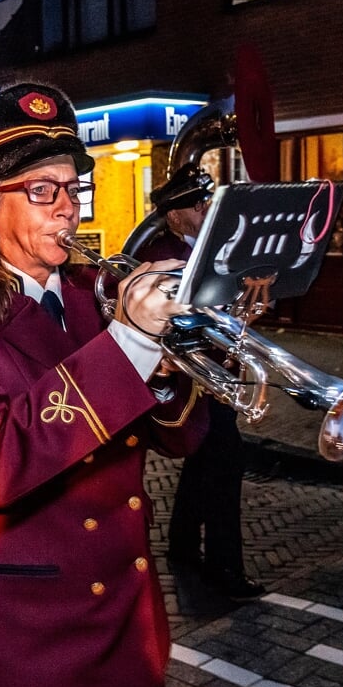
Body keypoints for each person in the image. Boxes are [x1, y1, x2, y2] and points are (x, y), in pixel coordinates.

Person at [0, 82, 208, 687]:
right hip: (35, 622)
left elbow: (178, 436)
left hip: (116, 612)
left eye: (73, 190)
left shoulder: (90, 294)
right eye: (44, 190)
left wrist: (184, 356)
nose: (68, 209)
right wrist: (130, 344)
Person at [136, 179, 267, 602]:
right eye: (197, 205)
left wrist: (247, 308)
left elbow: (220, 309)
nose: (205, 209)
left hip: (211, 376)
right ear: (174, 214)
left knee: (202, 464)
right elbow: (178, 324)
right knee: (226, 470)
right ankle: (225, 569)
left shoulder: (198, 249)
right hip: (192, 384)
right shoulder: (162, 257)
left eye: (205, 202)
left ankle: (183, 545)